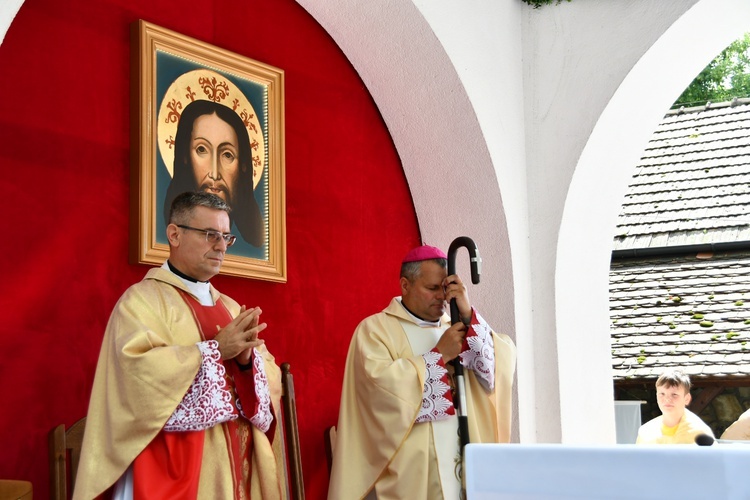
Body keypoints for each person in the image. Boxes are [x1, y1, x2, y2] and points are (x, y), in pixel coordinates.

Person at [75, 192, 284, 499]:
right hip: (171, 466)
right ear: (174, 234)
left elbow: (273, 382)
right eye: (211, 234)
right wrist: (214, 351)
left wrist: (245, 363)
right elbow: (137, 380)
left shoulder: (231, 308)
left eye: (227, 237)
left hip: (234, 467)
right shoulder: (142, 302)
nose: (221, 246)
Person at [328, 245, 516, 499]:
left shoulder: (459, 326)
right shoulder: (375, 330)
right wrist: (439, 356)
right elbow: (380, 393)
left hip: (464, 461)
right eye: (431, 288)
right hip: (412, 476)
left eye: (445, 288)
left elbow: (495, 369)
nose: (441, 296)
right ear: (405, 285)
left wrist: (469, 314)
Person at [163, 100, 264, 247]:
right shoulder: (175, 229)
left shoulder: (252, 247)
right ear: (185, 157)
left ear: (243, 166)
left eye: (227, 155)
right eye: (202, 150)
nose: (215, 174)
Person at [635, 369, 714, 445]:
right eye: (662, 394)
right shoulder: (645, 431)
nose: (667, 399)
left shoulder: (700, 432)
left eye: (674, 395)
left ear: (687, 398)